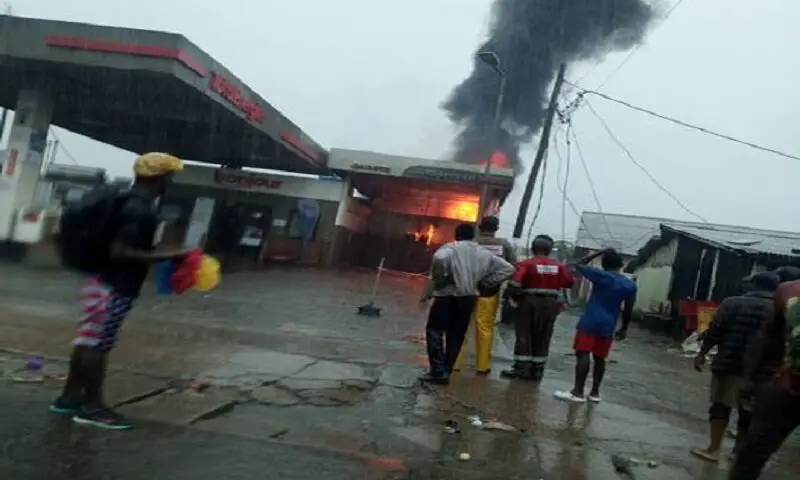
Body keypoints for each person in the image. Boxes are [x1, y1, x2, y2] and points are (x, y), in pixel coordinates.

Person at [49, 152, 192, 430]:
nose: (169, 183)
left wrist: (166, 253)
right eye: (168, 177)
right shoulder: (140, 210)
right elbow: (121, 251)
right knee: (98, 346)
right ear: (160, 178)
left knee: (88, 341)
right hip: (114, 287)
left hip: (100, 282)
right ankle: (93, 407)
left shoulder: (124, 201)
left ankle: (69, 398)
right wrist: (169, 255)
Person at [690, 272, 778, 463]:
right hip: (760, 371)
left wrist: (701, 354)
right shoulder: (779, 309)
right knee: (748, 411)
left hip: (728, 363)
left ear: (753, 285)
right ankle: (738, 453)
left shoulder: (731, 303)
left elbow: (714, 331)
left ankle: (713, 449)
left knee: (720, 406)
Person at [419, 223, 515, 385]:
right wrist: (486, 282)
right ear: (473, 235)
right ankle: (447, 371)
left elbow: (439, 258)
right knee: (456, 334)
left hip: (446, 297)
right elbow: (509, 268)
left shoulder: (449, 249)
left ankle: (437, 369)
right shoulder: (483, 253)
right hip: (469, 297)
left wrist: (440, 279)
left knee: (435, 331)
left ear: (457, 235)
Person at [729, 266, 800, 479]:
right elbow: (770, 340)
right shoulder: (788, 291)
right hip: (788, 389)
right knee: (752, 453)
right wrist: (750, 380)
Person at [554, 248, 636, 404]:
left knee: (582, 353)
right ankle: (595, 393)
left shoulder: (600, 275)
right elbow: (628, 310)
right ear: (621, 266)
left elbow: (579, 264)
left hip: (591, 320)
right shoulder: (629, 284)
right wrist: (624, 328)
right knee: (600, 357)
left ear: (604, 264)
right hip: (609, 323)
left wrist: (600, 252)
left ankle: (577, 392)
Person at [501, 234, 573, 381]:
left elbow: (514, 284)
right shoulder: (558, 266)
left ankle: (521, 369)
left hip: (529, 303)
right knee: (544, 335)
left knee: (524, 334)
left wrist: (511, 299)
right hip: (551, 305)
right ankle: (537, 370)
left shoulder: (526, 264)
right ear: (549, 250)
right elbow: (569, 283)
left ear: (533, 248)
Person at [454, 215, 517, 375]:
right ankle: (482, 366)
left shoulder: (470, 243)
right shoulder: (504, 245)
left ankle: (454, 362)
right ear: (496, 229)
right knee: (485, 328)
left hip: (465, 290)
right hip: (489, 293)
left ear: (480, 227)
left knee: (460, 325)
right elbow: (512, 267)